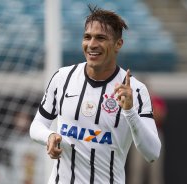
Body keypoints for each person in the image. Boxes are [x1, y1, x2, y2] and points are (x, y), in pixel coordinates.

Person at [29, 5, 161, 184]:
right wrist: (49, 136)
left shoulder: (136, 91)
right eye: (87, 37)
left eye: (101, 38)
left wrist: (130, 112)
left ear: (118, 44)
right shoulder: (62, 78)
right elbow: (36, 125)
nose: (92, 44)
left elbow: (152, 153)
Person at [127, 80, 167, 184]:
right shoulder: (135, 101)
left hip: (154, 133)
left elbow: (160, 116)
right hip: (138, 134)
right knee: (136, 169)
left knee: (155, 171)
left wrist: (145, 114)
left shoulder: (156, 99)